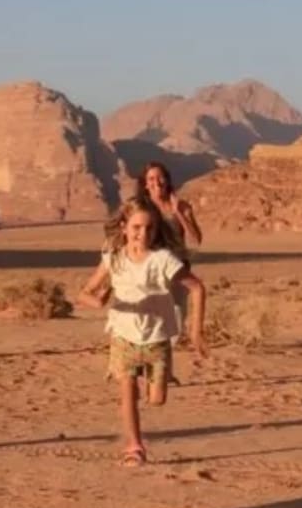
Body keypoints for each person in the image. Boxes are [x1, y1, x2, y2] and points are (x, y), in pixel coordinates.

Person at [78, 196, 206, 467]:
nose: (142, 234)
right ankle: (134, 447)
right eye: (136, 227)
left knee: (157, 399)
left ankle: (153, 386)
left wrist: (196, 333)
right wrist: (98, 300)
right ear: (124, 227)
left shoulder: (162, 259)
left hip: (157, 337)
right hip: (123, 336)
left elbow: (197, 288)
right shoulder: (114, 257)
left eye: (149, 228)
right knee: (127, 391)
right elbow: (85, 292)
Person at [137, 161, 203, 382]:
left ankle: (163, 369)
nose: (157, 183)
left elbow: (196, 239)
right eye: (151, 179)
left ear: (167, 179)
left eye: (160, 177)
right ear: (145, 185)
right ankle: (158, 371)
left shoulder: (182, 205)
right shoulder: (142, 209)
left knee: (175, 321)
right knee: (151, 322)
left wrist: (178, 213)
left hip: (178, 269)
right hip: (151, 270)